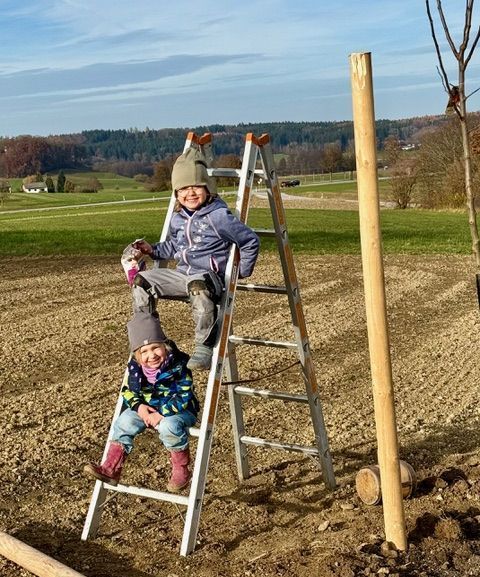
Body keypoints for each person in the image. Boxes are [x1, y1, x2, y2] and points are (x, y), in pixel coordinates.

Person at [129, 147, 260, 371]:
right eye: (183, 188)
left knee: (197, 285)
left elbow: (250, 240)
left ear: (208, 188)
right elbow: (175, 246)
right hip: (183, 276)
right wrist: (152, 249)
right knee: (141, 281)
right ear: (176, 193)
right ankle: (148, 338)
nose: (190, 193)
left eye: (196, 186)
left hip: (208, 279)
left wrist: (242, 272)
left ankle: (204, 346)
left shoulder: (218, 217)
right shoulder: (178, 218)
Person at [84, 311, 199, 493]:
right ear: (137, 355)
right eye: (144, 351)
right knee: (124, 421)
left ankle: (181, 470)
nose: (151, 355)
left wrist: (162, 414)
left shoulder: (178, 366)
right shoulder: (136, 369)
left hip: (179, 410)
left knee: (168, 426)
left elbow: (184, 394)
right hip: (148, 409)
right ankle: (112, 468)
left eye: (155, 348)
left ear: (165, 346)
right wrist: (139, 408)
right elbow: (128, 391)